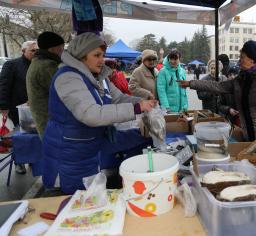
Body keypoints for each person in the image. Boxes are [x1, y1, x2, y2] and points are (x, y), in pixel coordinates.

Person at [42, 32, 157, 194]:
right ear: (81, 56)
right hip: (69, 153)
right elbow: (91, 114)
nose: (101, 60)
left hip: (89, 148)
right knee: (75, 198)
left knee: (90, 195)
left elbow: (118, 98)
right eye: (96, 55)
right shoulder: (68, 77)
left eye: (103, 55)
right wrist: (137, 108)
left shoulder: (99, 77)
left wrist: (142, 103)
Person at [179, 40, 256, 149]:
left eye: (242, 57)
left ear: (252, 59)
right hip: (249, 137)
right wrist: (191, 83)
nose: (239, 60)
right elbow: (218, 86)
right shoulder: (241, 80)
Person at [0, 40, 38, 174]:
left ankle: (32, 160)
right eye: (32, 50)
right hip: (16, 108)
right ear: (23, 51)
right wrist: (3, 106)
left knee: (32, 135)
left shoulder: (37, 65)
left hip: (33, 108)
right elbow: (4, 86)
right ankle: (19, 162)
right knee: (18, 136)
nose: (35, 53)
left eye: (37, 50)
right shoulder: (12, 64)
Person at [26, 32, 65, 138]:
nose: (62, 52)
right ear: (52, 49)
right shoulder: (46, 66)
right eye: (61, 48)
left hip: (47, 122)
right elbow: (64, 92)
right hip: (51, 123)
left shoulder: (39, 61)